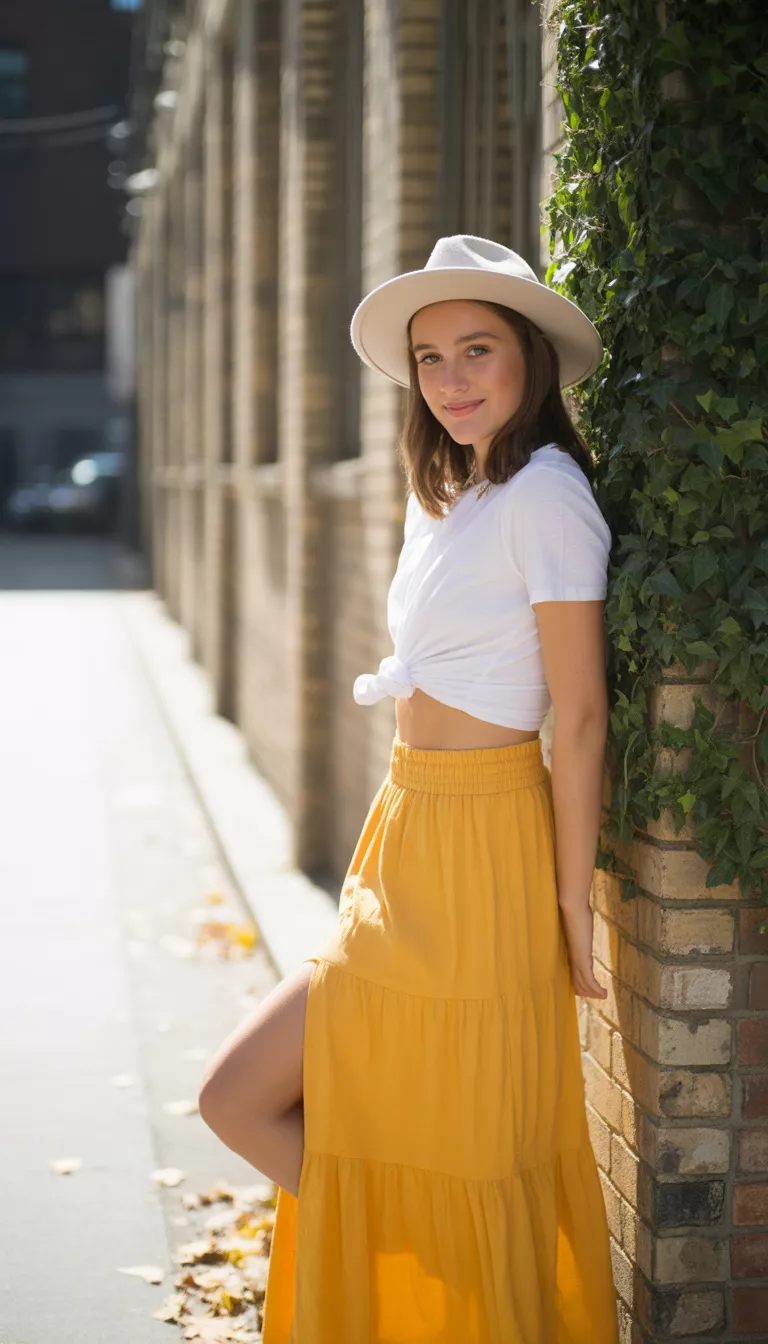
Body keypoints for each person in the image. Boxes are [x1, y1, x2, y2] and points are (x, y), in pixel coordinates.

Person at [198, 234, 620, 1343]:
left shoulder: (546, 494)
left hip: (486, 848)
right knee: (249, 1103)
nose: (452, 380)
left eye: (478, 349)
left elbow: (577, 715)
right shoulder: (450, 495)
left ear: (529, 356)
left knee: (455, 1146)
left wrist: (571, 903)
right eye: (430, 358)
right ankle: (412, 1307)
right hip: (406, 828)